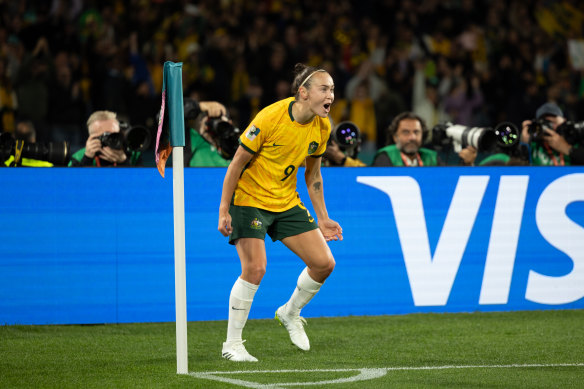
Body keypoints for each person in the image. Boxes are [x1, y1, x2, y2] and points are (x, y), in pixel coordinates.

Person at [217, 63, 343, 362]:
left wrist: (323, 217)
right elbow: (236, 163)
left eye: (333, 90)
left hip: (285, 201)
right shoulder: (270, 117)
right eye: (325, 89)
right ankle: (232, 345)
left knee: (324, 263)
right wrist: (224, 210)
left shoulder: (322, 126)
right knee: (256, 269)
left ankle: (290, 312)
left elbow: (313, 174)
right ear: (303, 92)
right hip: (249, 199)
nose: (331, 95)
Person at [372, 112, 477, 166]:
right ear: (395, 137)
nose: (412, 137)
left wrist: (467, 163)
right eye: (406, 132)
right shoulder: (386, 156)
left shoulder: (431, 157)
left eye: (416, 132)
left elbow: (450, 182)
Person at [68, 111, 142, 167]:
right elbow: (71, 184)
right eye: (106, 135)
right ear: (92, 138)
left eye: (116, 135)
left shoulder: (133, 154)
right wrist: (87, 159)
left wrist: (124, 162)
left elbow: (141, 185)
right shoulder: (79, 157)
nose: (113, 139)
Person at [183, 99, 233, 167]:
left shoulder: (233, 144)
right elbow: (168, 112)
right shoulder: (190, 138)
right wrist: (198, 106)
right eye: (211, 119)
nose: (215, 124)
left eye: (219, 119)